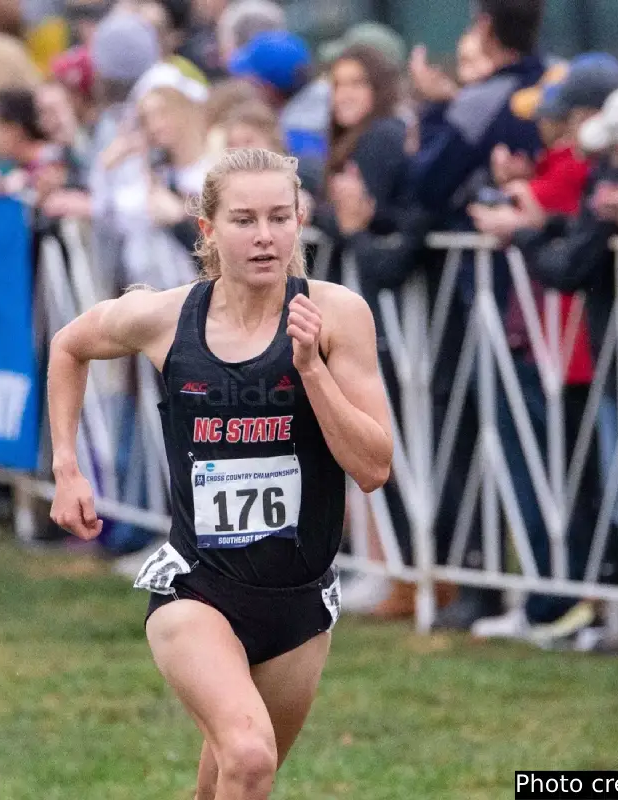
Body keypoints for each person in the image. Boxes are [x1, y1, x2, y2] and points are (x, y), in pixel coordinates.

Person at [46, 147, 392, 800]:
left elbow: (373, 466)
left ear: (299, 221)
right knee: (250, 755)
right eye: (243, 220)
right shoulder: (166, 317)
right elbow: (70, 345)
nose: (264, 236)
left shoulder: (336, 316)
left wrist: (312, 371)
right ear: (208, 231)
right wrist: (67, 468)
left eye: (279, 217)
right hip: (197, 589)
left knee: (230, 782)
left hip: (299, 602)